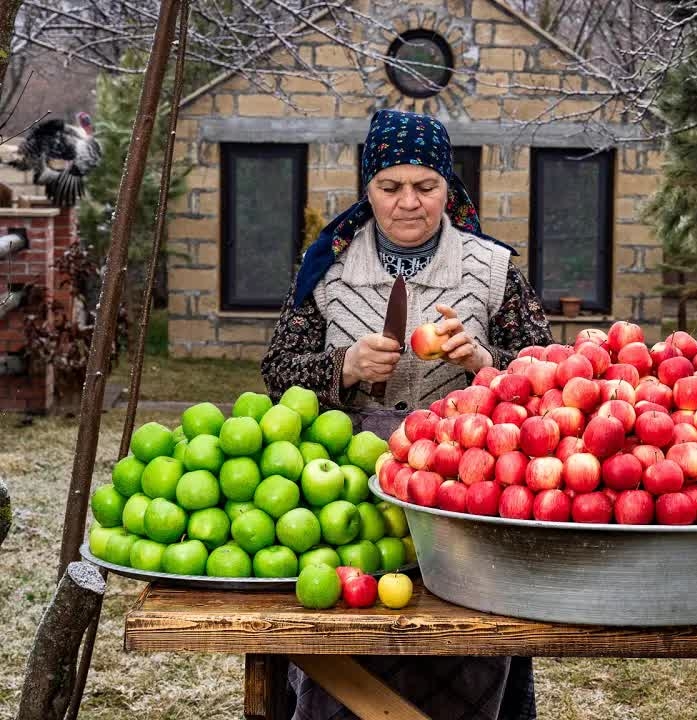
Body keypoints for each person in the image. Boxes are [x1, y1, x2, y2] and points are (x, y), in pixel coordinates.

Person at [261, 109, 550, 720]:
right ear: (367, 188)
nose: (409, 202)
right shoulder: (328, 267)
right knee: (353, 625)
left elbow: (550, 377)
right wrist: (343, 366)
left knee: (463, 627)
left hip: (464, 485)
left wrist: (483, 362)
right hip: (348, 485)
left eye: (426, 185)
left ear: (449, 187)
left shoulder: (491, 268)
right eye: (390, 186)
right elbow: (278, 369)